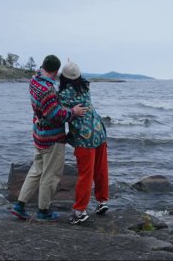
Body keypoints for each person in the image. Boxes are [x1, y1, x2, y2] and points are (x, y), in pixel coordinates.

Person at [10, 54, 88, 221]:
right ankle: (43, 211)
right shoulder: (48, 90)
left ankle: (20, 205)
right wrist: (73, 112)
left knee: (36, 170)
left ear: (43, 66)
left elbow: (45, 109)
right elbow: (55, 114)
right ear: (55, 71)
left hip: (39, 135)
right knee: (50, 176)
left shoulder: (34, 81)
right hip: (52, 138)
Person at [58, 59, 109, 225]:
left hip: (84, 138)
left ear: (63, 77)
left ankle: (79, 211)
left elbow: (58, 114)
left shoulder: (64, 95)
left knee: (85, 175)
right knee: (101, 169)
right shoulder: (86, 87)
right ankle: (102, 202)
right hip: (99, 132)